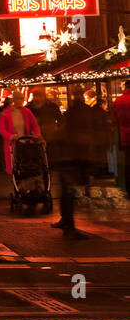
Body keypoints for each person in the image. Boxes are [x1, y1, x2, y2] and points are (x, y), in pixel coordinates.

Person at [50, 90, 97, 238]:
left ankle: (66, 222)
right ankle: (69, 226)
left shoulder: (70, 113)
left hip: (68, 157)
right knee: (71, 192)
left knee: (68, 191)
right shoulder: (83, 113)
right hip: (75, 158)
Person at [0, 94, 41, 176]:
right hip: (14, 142)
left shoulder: (27, 111)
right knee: (15, 163)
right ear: (13, 100)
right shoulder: (5, 113)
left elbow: (34, 125)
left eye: (21, 99)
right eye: (18, 99)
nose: (20, 101)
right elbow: (2, 129)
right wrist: (11, 136)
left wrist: (37, 134)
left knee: (27, 163)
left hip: (26, 141)